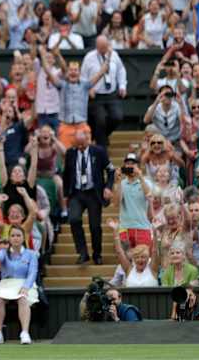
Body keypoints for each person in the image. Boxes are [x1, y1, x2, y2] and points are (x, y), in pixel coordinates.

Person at [62, 129, 115, 265]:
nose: (80, 148)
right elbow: (66, 174)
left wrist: (108, 187)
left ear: (88, 140)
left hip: (93, 192)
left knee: (95, 226)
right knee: (73, 219)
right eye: (77, 145)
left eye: (82, 145)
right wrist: (65, 194)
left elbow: (111, 170)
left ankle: (97, 254)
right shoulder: (70, 153)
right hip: (77, 193)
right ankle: (82, 253)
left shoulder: (99, 151)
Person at [0, 226, 39, 346]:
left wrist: (26, 286)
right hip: (7, 284)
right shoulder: (4, 253)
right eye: (13, 236)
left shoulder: (31, 254)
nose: (15, 238)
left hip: (25, 283)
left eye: (18, 235)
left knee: (23, 298)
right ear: (9, 238)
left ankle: (25, 333)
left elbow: (33, 272)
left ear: (23, 238)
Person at [81, 35, 127, 147]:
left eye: (105, 47)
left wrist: (122, 86)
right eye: (101, 47)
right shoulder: (89, 57)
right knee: (100, 120)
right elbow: (83, 76)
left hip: (111, 94)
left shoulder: (114, 55)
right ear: (96, 46)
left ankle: (101, 136)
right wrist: (89, 88)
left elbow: (121, 70)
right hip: (96, 96)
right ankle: (102, 147)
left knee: (117, 117)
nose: (103, 50)